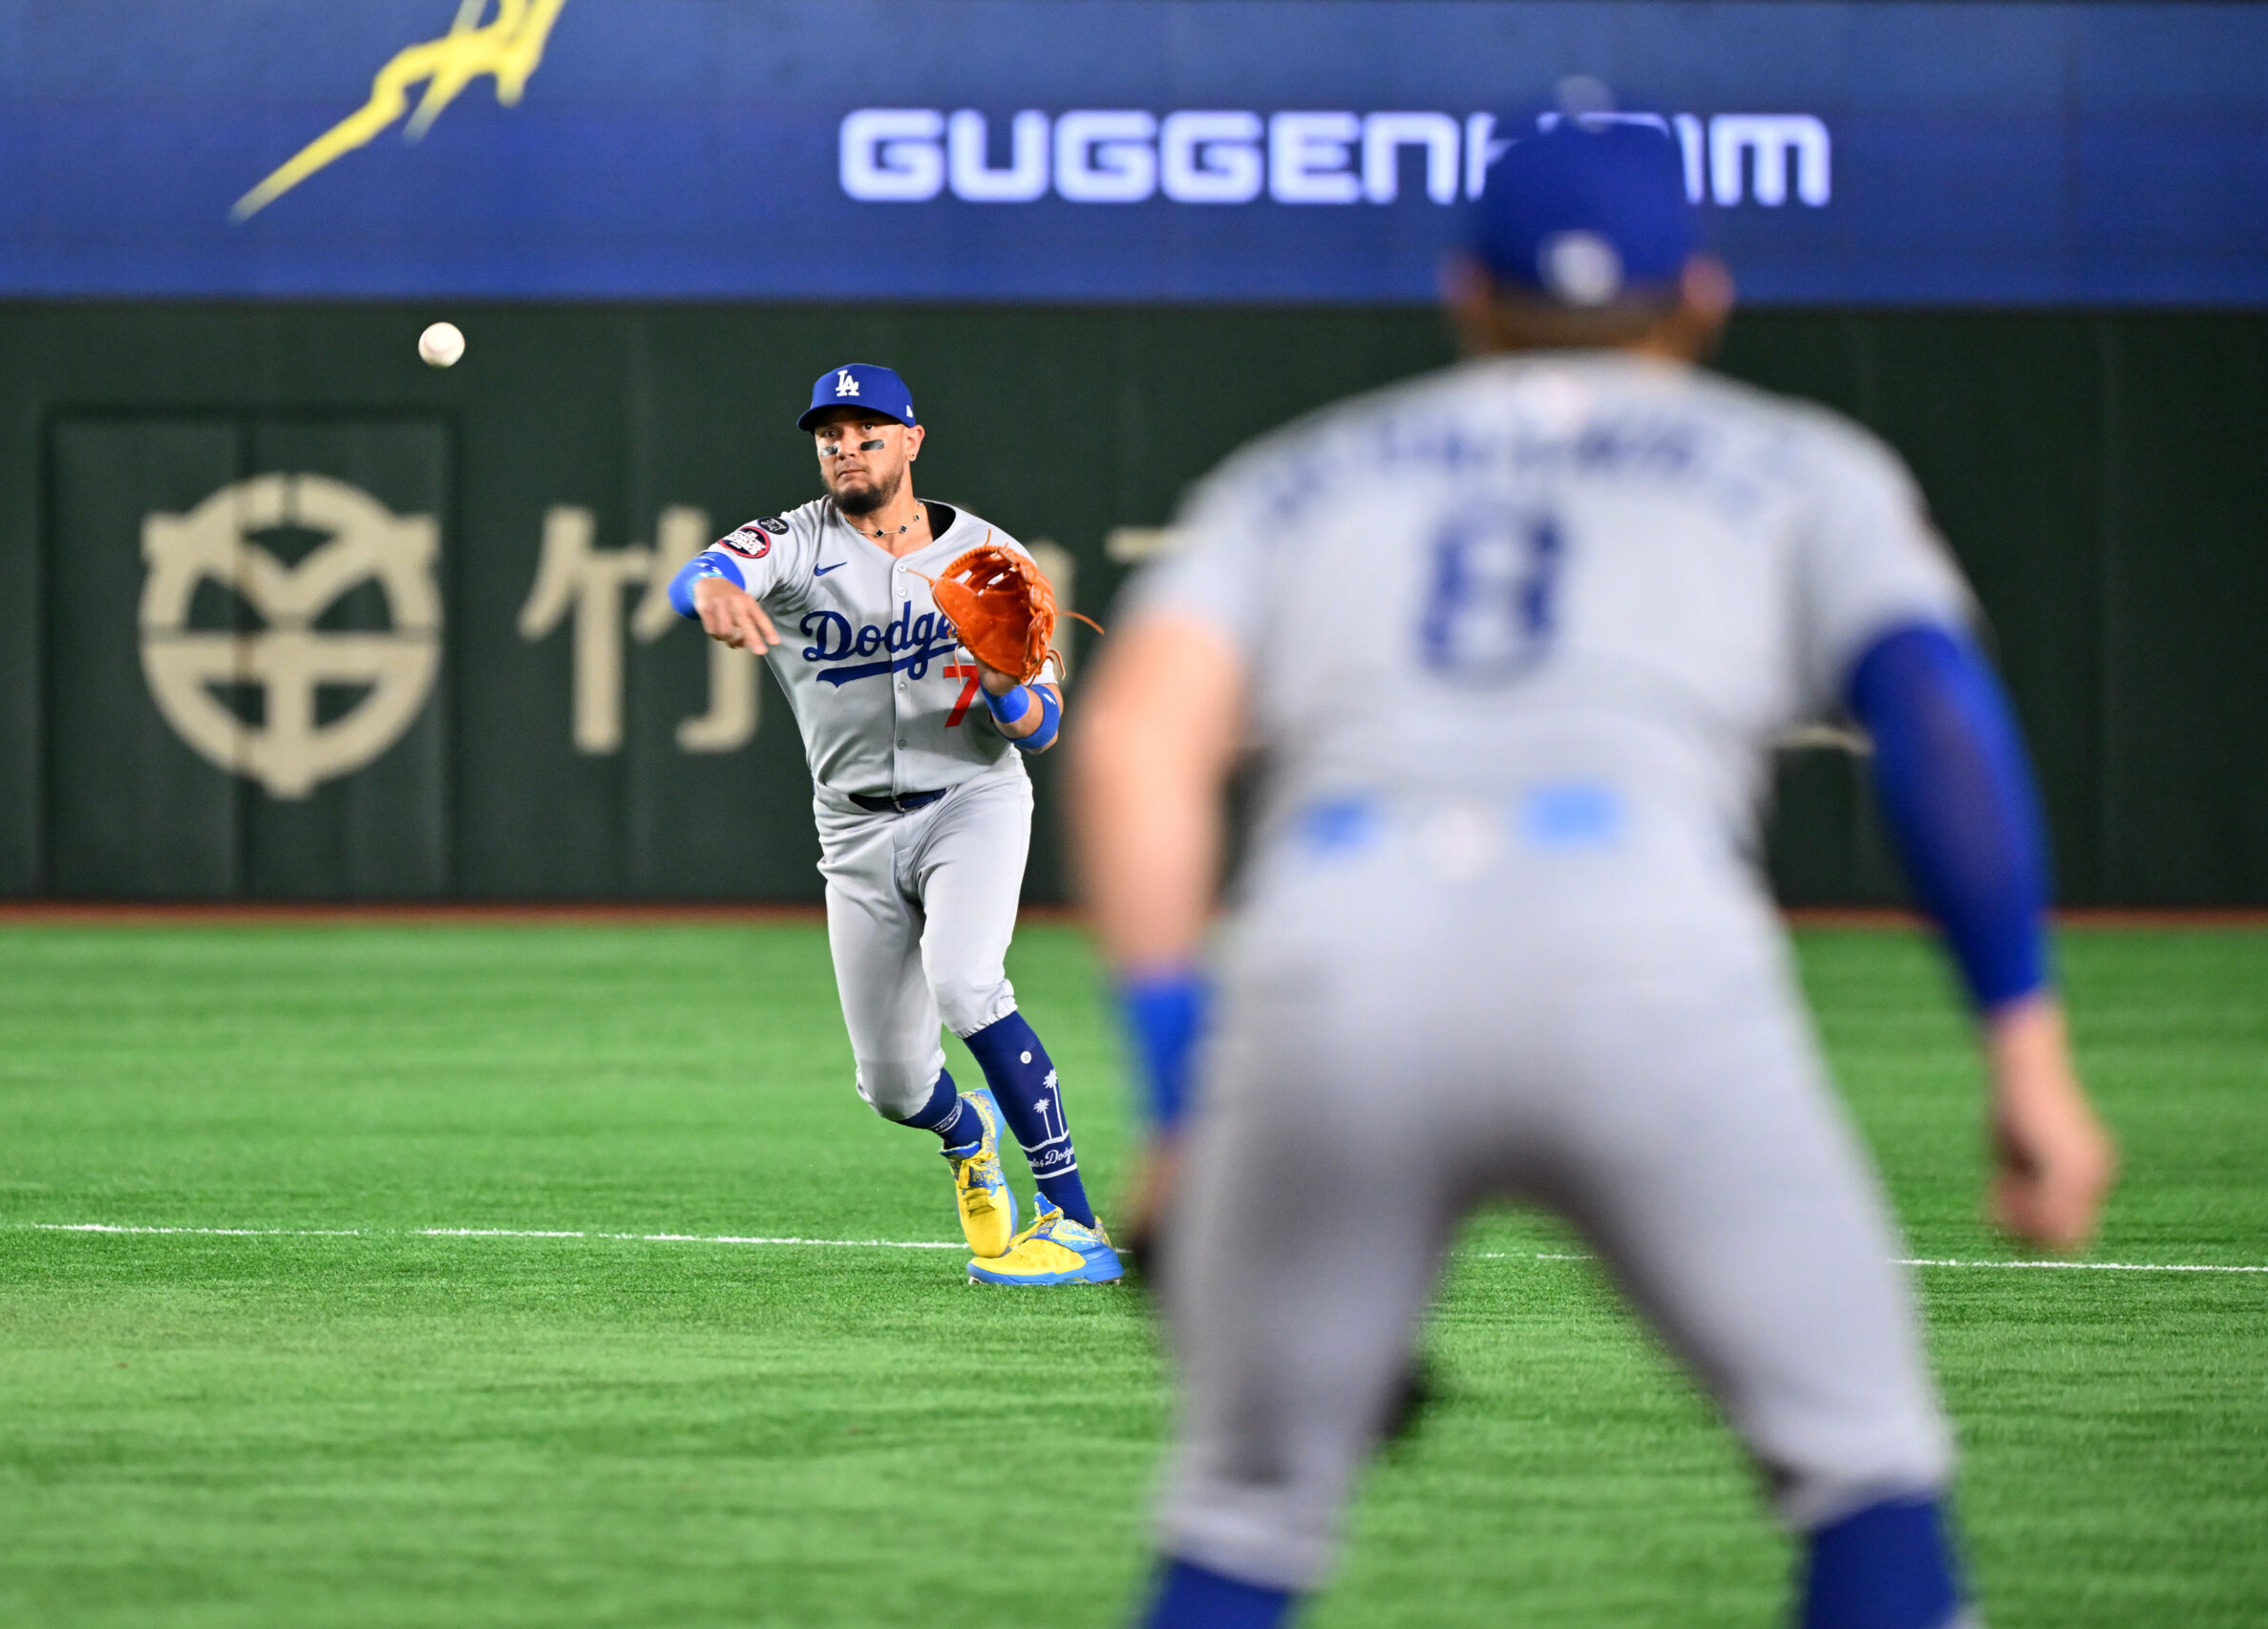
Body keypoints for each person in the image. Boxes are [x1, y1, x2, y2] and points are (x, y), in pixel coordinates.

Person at [1068, 118, 2114, 1626]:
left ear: (1467, 296)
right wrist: (2024, 1043)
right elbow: (1938, 714)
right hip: (1645, 950)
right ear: (1699, 296)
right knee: (1864, 1476)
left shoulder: (1293, 480)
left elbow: (1131, 750)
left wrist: (1180, 1104)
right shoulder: (1802, 464)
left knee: (1244, 1511)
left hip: (1336, 965)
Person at [668, 362, 1121, 1286]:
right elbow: (708, 568)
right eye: (829, 434)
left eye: (865, 430)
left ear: (911, 440)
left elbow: (1042, 725)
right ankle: (967, 1133)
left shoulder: (989, 557)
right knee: (892, 1086)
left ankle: (1074, 1222)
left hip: (971, 804)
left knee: (966, 980)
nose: (844, 447)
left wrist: (1004, 687)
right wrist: (707, 587)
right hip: (853, 832)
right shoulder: (794, 542)